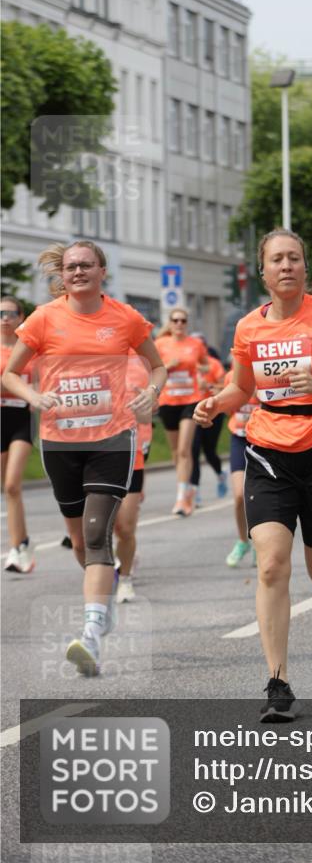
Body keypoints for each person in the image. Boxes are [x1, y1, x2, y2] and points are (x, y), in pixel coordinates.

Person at [194, 228, 312, 722]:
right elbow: (241, 388)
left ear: (303, 266)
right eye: (277, 259)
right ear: (263, 271)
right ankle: (278, 683)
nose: (287, 266)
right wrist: (216, 403)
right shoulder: (247, 328)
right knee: (272, 564)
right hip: (267, 453)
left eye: (294, 258)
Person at [2, 241, 166, 675]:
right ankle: (104, 591)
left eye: (86, 266)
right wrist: (35, 395)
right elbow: (11, 374)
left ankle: (91, 631)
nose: (78, 272)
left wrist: (151, 394)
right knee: (78, 541)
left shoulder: (125, 318)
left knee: (96, 534)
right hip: (60, 443)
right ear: (65, 273)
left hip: (112, 439)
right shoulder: (43, 318)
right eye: (72, 266)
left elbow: (157, 366)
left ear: (102, 271)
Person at [155, 308, 207, 516]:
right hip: (168, 401)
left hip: (190, 400)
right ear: (170, 323)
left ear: (187, 323)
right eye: (175, 320)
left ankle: (182, 498)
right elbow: (153, 369)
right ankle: (184, 487)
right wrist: (169, 366)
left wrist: (202, 374)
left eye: (183, 320)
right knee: (176, 452)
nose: (179, 324)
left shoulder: (195, 344)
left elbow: (205, 364)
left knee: (185, 449)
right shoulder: (160, 344)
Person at [113, 350, 155, 604]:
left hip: (131, 452)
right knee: (101, 527)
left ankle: (125, 578)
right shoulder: (86, 359)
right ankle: (109, 569)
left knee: (125, 527)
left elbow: (148, 410)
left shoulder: (138, 362)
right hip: (94, 453)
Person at [1, 296, 35, 573]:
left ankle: (15, 549)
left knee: (13, 484)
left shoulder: (29, 349)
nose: (5, 319)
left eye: (11, 313)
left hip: (22, 419)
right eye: (0, 314)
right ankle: (22, 542)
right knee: (7, 489)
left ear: (20, 317)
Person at [222, 367, 258, 567]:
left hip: (264, 440)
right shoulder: (232, 376)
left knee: (259, 496)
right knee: (238, 496)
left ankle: (260, 544)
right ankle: (243, 541)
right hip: (239, 438)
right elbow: (228, 409)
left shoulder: (268, 372)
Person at [189, 332, 227, 506]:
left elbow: (226, 387)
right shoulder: (188, 364)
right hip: (192, 411)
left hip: (213, 412)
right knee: (194, 451)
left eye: (200, 345)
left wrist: (210, 386)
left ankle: (220, 474)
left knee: (209, 450)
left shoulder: (214, 364)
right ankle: (194, 493)